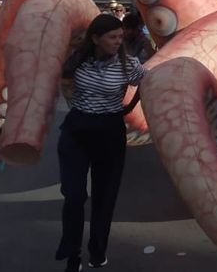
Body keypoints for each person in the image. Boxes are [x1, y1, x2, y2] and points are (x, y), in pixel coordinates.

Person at [56, 14, 146, 272]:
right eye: (113, 37)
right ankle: (72, 252)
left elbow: (148, 80)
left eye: (120, 36)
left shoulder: (128, 64)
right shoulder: (77, 59)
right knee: (74, 195)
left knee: (104, 197)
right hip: (77, 131)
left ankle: (97, 250)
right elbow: (62, 78)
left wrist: (130, 105)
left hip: (109, 132)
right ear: (96, 38)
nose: (119, 41)